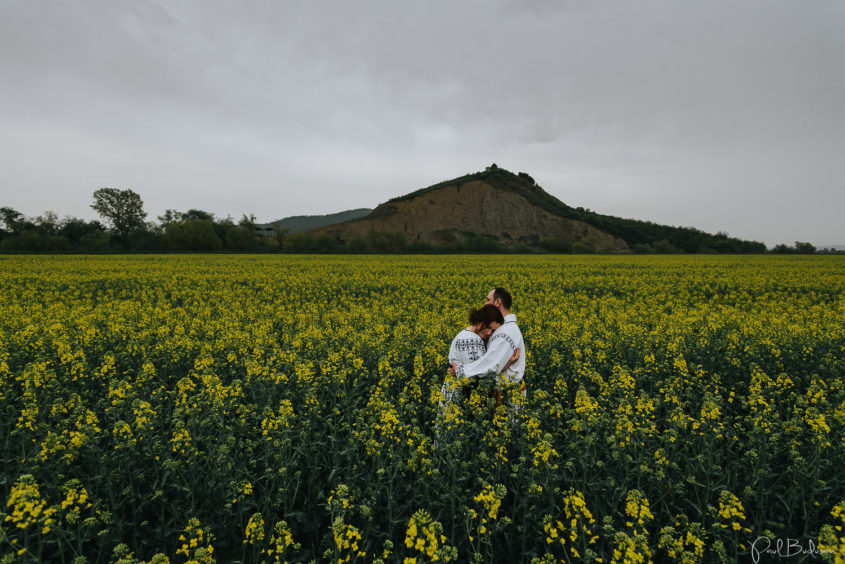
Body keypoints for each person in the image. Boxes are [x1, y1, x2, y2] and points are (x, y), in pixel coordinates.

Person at [449, 287, 526, 405]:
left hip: (508, 396)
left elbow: (491, 366)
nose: (485, 303)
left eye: (488, 299)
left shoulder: (504, 332)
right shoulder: (503, 328)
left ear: (497, 302)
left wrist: (461, 371)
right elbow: (494, 366)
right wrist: (508, 363)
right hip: (504, 393)